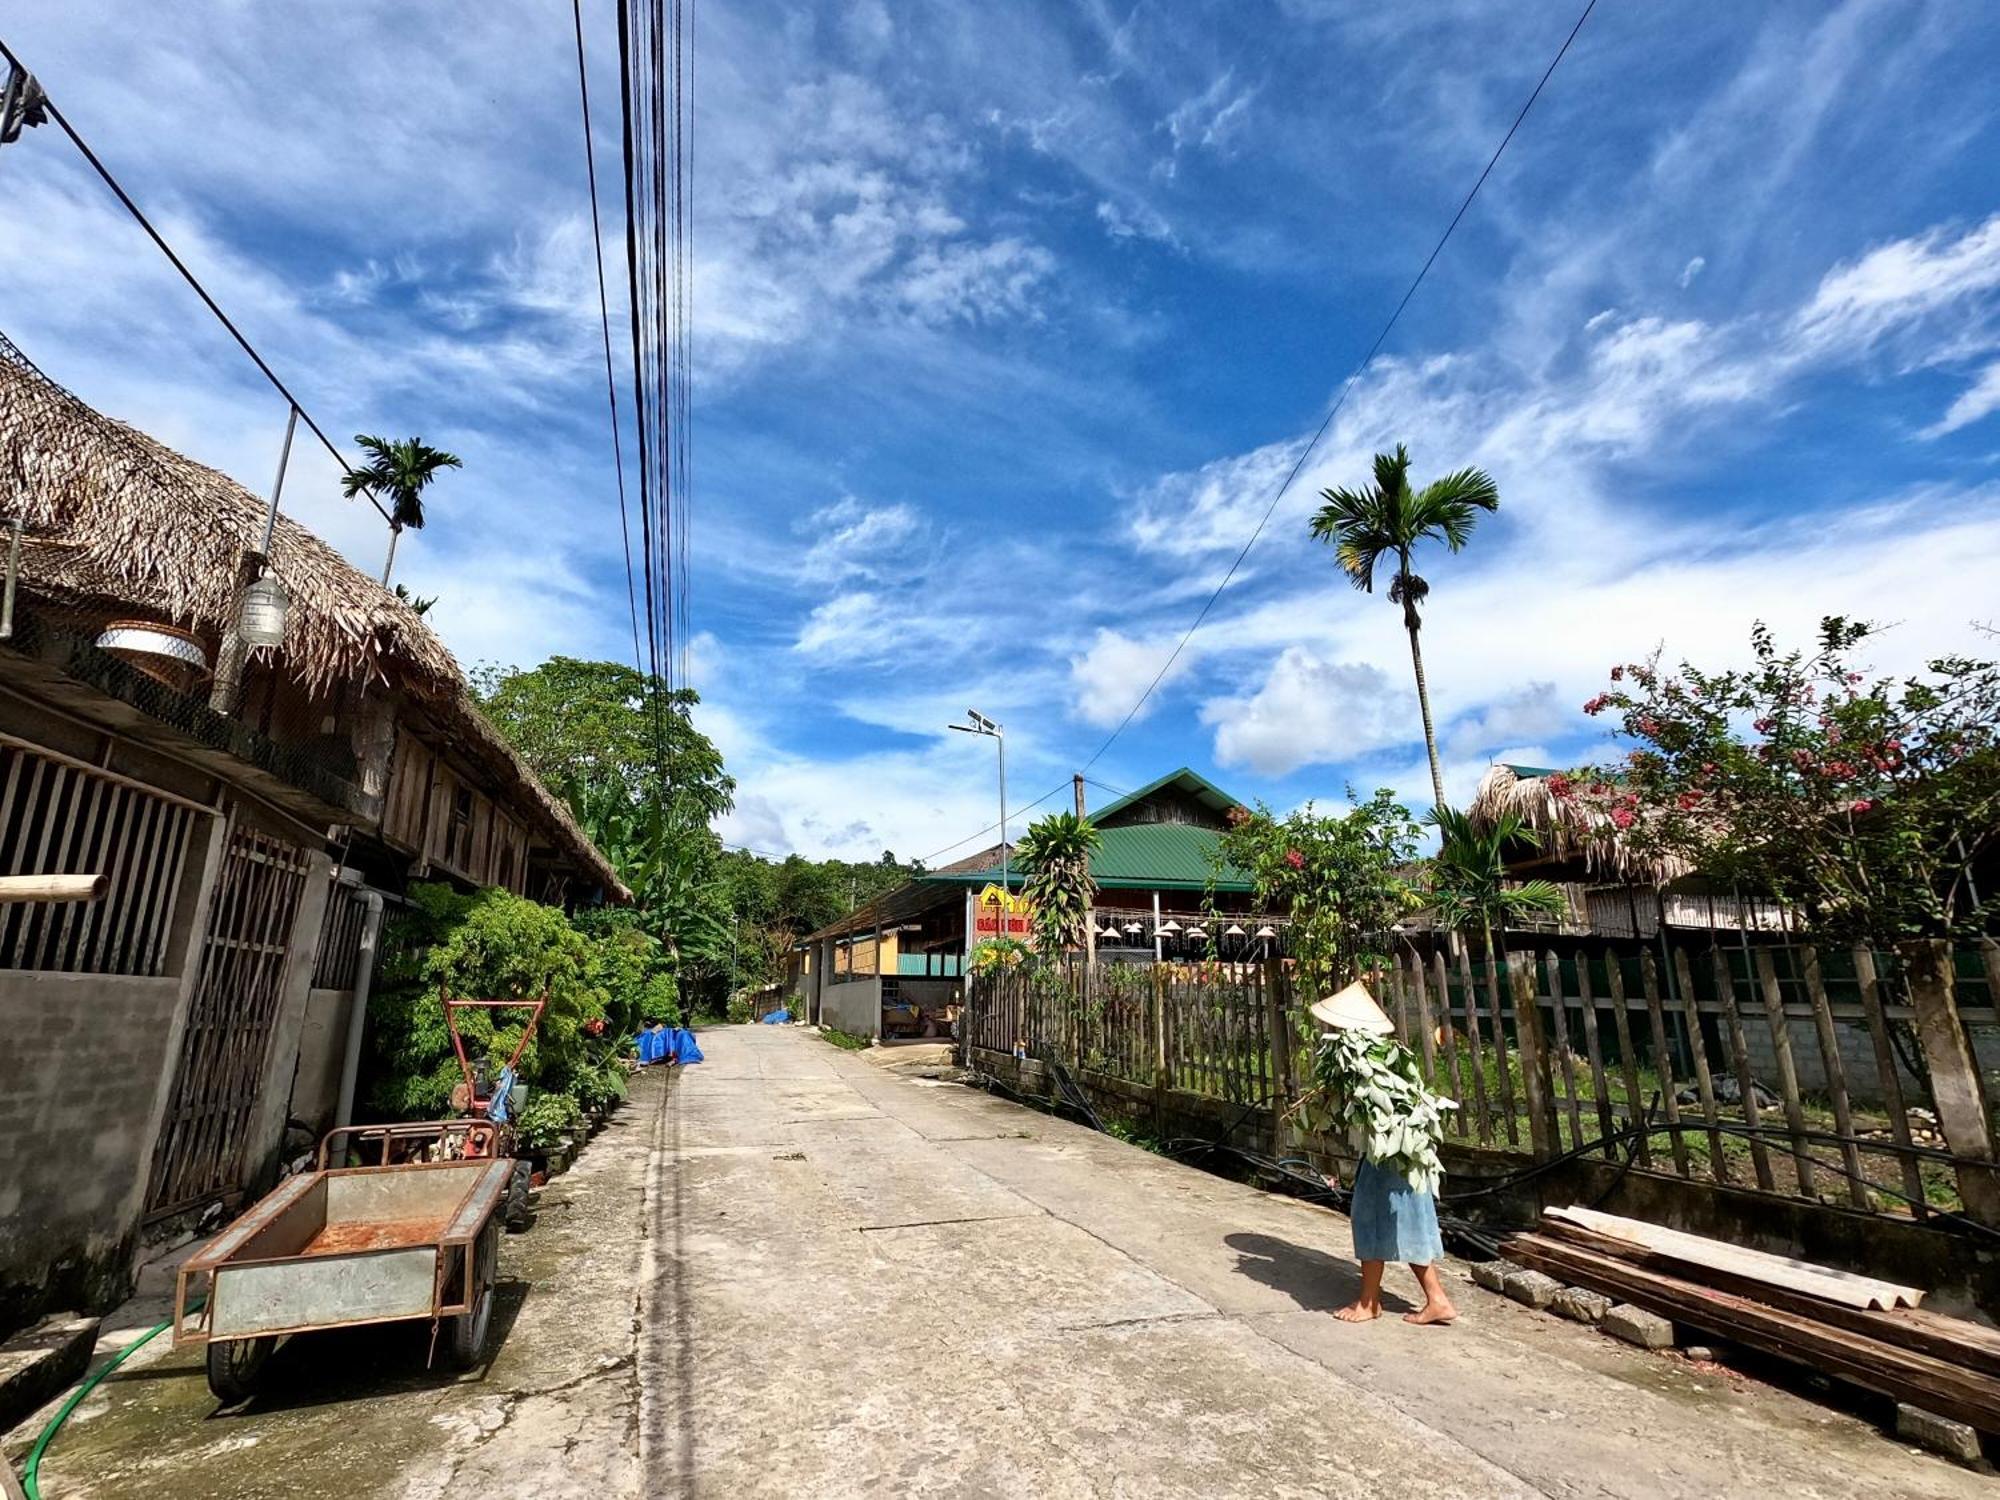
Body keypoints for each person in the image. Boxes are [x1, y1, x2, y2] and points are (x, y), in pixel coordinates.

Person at [1309, 981, 1457, 1327]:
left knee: (1372, 1216)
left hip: (1391, 1154)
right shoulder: (1390, 1056)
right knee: (1405, 1220)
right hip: (1403, 1152)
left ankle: (1370, 1302)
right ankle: (1435, 1299)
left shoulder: (1367, 1061)